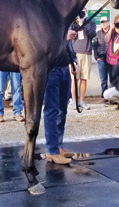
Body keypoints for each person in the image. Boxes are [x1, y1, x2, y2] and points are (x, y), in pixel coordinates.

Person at [43, 32, 76, 165]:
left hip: (64, 69)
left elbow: (68, 47)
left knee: (62, 109)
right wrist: (62, 37)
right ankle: (52, 150)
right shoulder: (47, 19)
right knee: (51, 110)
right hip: (51, 69)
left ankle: (58, 146)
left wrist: (73, 61)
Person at [68, 8, 96, 110]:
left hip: (87, 53)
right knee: (74, 78)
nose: (82, 12)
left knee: (84, 78)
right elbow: (71, 37)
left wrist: (82, 24)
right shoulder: (72, 22)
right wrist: (77, 23)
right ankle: (74, 101)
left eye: (84, 10)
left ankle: (82, 101)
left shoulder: (91, 22)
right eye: (81, 10)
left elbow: (92, 34)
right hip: (75, 54)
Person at [93, 16, 111, 98]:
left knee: (112, 78)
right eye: (102, 22)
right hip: (101, 59)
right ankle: (104, 96)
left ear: (108, 22)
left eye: (105, 22)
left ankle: (111, 97)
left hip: (111, 59)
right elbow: (95, 46)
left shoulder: (113, 32)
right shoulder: (98, 33)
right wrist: (97, 58)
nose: (103, 24)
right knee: (103, 80)